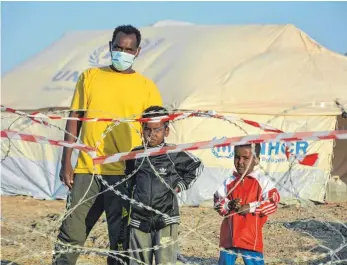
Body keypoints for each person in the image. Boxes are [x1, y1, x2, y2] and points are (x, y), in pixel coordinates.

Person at [53, 25, 163, 265]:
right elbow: (75, 120)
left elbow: (155, 133)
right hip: (87, 170)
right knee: (71, 232)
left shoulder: (147, 88)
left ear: (137, 51)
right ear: (110, 47)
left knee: (121, 240)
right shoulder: (90, 77)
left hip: (126, 173)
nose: (122, 53)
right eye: (118, 47)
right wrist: (66, 162)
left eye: (128, 49)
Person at [125, 105, 204, 265]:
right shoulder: (135, 154)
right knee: (137, 261)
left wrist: (179, 186)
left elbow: (197, 166)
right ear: (142, 129)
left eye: (157, 130)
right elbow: (129, 178)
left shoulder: (173, 153)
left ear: (166, 131)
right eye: (147, 129)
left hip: (166, 218)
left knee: (165, 261)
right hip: (139, 219)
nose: (151, 134)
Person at [213, 143, 280, 265]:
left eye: (245, 158)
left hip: (250, 237)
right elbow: (217, 201)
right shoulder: (229, 182)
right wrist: (228, 205)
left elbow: (273, 202)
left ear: (256, 160)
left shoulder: (262, 182)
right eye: (237, 157)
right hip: (229, 236)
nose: (240, 162)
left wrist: (251, 207)